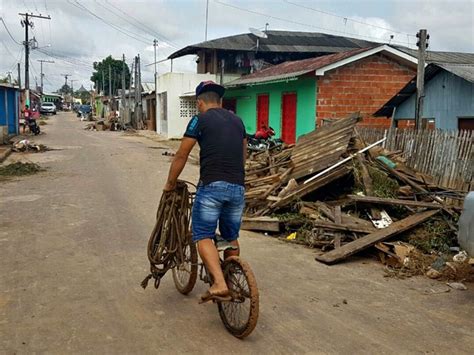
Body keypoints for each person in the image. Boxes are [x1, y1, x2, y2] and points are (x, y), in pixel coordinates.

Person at [163, 81, 247, 303]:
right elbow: (243, 154)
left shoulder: (199, 119)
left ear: (200, 102)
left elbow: (181, 154)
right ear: (220, 101)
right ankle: (230, 278)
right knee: (231, 236)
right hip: (238, 187)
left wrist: (170, 184)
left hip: (212, 187)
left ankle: (219, 283)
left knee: (202, 235)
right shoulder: (238, 121)